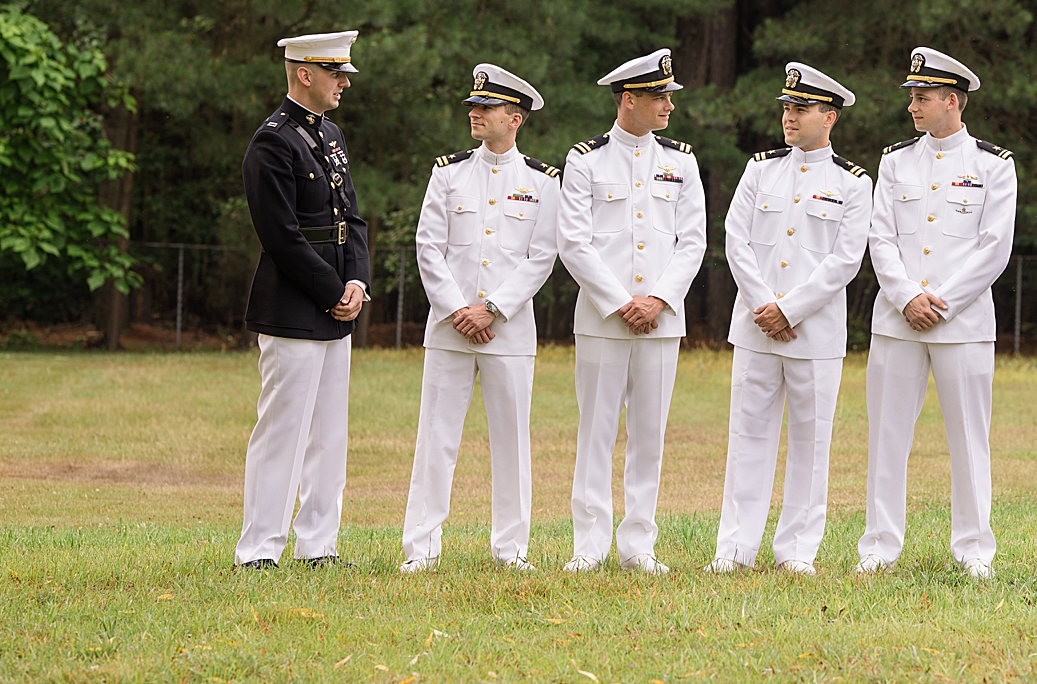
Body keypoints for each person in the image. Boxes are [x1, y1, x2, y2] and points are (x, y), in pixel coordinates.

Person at [705, 63, 872, 576]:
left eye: (800, 109)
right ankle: (734, 549)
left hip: (813, 332)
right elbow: (736, 238)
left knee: (811, 442)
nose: (789, 117)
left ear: (830, 116)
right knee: (747, 439)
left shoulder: (852, 182)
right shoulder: (761, 169)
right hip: (756, 325)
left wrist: (790, 309)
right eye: (786, 108)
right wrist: (765, 306)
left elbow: (845, 259)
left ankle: (797, 549)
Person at [856, 47, 1017, 579]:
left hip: (963, 324)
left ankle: (974, 548)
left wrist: (940, 303)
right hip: (898, 320)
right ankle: (879, 545)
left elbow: (994, 248)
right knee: (886, 436)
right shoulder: (895, 160)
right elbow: (879, 236)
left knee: (970, 439)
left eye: (923, 98)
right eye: (912, 97)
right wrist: (906, 296)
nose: (913, 107)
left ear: (953, 101)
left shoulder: (993, 165)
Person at [399, 65, 561, 574]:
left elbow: (542, 255)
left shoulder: (541, 180)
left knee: (512, 440)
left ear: (515, 118)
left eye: (486, 107)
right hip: (449, 329)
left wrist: (491, 308)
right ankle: (420, 548)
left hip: (508, 330)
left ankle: (511, 549)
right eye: (474, 105)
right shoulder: (447, 173)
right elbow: (428, 246)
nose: (475, 112)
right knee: (436, 438)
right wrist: (458, 310)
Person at [557, 48, 707, 574]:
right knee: (595, 431)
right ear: (628, 100)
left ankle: (638, 543)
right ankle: (589, 544)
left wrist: (659, 300)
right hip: (603, 319)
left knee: (650, 435)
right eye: (658, 96)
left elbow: (693, 241)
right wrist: (622, 303)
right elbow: (574, 243)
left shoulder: (680, 160)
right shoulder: (586, 160)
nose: (668, 105)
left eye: (668, 95)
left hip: (661, 321)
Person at [235, 31, 371, 570]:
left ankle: (319, 544)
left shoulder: (329, 134)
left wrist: (357, 282)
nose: (344, 82)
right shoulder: (272, 141)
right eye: (336, 73)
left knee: (329, 433)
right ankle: (259, 550)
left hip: (339, 304)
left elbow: (352, 218)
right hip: (294, 305)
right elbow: (281, 235)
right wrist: (332, 289)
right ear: (304, 73)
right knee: (282, 431)